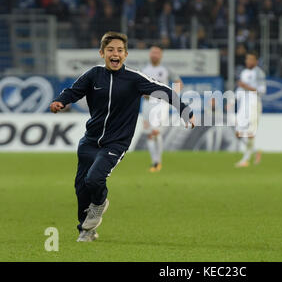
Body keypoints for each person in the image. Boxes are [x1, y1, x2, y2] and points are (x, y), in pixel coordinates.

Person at [49, 32, 194, 242]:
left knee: (95, 179)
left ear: (125, 55)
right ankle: (86, 230)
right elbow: (72, 91)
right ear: (102, 53)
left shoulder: (135, 79)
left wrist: (184, 110)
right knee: (81, 187)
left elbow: (164, 90)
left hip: (116, 143)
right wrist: (59, 102)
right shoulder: (93, 75)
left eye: (119, 50)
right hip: (89, 141)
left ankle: (99, 204)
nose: (115, 54)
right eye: (110, 50)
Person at [141, 45, 184, 172]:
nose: (155, 55)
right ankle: (154, 161)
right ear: (150, 54)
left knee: (156, 132)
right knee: (149, 135)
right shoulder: (144, 70)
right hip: (147, 104)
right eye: (153, 52)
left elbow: (179, 83)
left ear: (161, 55)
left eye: (157, 53)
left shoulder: (165, 69)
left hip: (160, 104)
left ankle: (157, 162)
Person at [235, 51, 266, 167]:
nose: (248, 61)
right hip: (243, 104)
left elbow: (262, 91)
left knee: (249, 132)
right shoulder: (244, 72)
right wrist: (233, 99)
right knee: (238, 133)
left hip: (254, 104)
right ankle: (256, 151)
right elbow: (240, 89)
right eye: (247, 59)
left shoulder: (259, 73)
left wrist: (246, 86)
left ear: (256, 61)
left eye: (250, 59)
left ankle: (245, 160)